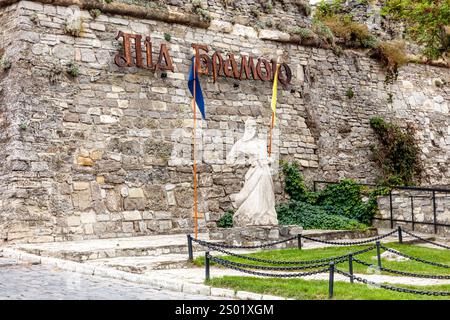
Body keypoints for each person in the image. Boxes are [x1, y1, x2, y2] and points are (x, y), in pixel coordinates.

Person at [226, 118, 278, 226]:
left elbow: (264, 157)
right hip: (254, 172)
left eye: (255, 126)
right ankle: (251, 216)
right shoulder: (240, 144)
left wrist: (269, 160)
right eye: (251, 126)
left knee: (266, 195)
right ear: (247, 128)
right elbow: (230, 160)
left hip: (265, 172)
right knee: (251, 195)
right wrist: (246, 162)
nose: (254, 128)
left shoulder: (261, 142)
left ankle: (265, 216)